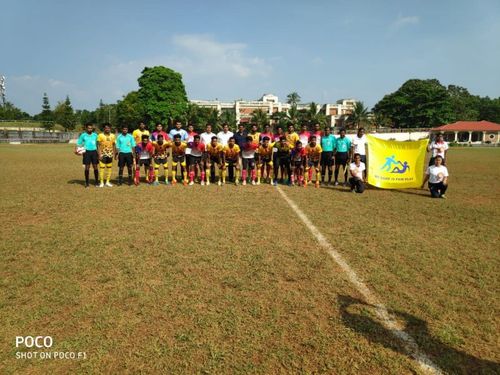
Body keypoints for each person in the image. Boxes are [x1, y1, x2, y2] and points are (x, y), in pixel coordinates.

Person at [75, 123, 99, 188]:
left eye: (91, 128)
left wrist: (99, 153)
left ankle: (97, 182)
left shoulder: (95, 135)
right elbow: (79, 143)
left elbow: (98, 144)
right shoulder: (83, 135)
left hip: (94, 152)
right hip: (86, 152)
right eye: (88, 128)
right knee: (87, 167)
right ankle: (87, 182)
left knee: (95, 167)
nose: (90, 129)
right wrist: (76, 150)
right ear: (86, 128)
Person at [97, 123, 116, 187]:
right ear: (104, 129)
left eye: (108, 128)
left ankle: (107, 182)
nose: (107, 129)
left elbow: (114, 145)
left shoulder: (113, 136)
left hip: (110, 154)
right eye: (106, 128)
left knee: (109, 168)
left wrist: (113, 153)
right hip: (102, 154)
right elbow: (98, 145)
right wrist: (99, 154)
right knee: (102, 168)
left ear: (110, 129)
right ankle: (101, 182)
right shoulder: (100, 135)